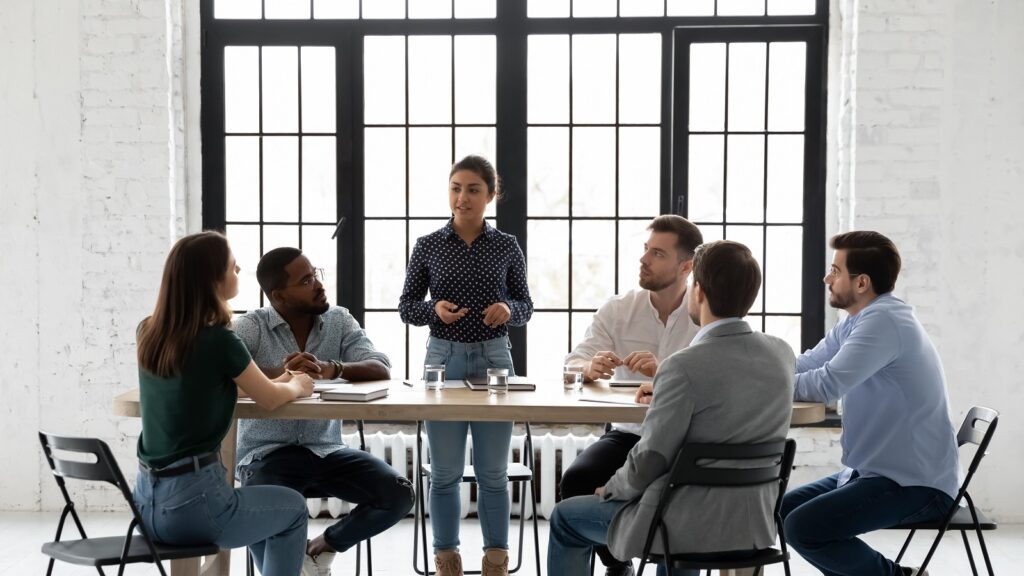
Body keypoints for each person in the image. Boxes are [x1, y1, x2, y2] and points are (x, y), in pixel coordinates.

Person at [547, 240, 795, 576]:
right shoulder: (782, 354)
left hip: (681, 525)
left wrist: (612, 489)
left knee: (565, 518)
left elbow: (650, 458)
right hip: (754, 527)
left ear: (699, 292)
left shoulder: (682, 366)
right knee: (677, 512)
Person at [133, 231, 314, 576]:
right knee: (293, 508)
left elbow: (207, 388)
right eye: (232, 266)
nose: (239, 270)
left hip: (146, 507)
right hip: (194, 507)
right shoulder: (220, 340)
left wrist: (279, 380)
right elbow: (269, 399)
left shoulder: (148, 332)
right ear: (212, 280)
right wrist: (297, 385)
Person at [781, 231, 959, 576]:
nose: (827, 279)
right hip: (874, 473)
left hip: (914, 484)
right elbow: (807, 364)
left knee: (803, 527)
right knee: (782, 511)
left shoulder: (883, 322)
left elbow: (827, 384)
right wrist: (756, 368)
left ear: (861, 283)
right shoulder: (857, 320)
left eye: (835, 271)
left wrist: (760, 385)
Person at [233, 247, 416, 576]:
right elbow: (223, 374)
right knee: (266, 507)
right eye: (306, 281)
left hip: (326, 451)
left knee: (399, 494)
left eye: (315, 274)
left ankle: (320, 549)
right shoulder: (251, 326)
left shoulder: (338, 320)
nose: (318, 284)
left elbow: (381, 366)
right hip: (265, 454)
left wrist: (333, 368)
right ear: (279, 296)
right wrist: (283, 373)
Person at [399, 155, 533, 576]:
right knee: (444, 473)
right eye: (456, 188)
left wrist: (507, 309)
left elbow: (525, 305)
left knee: (493, 473)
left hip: (495, 359)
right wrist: (433, 309)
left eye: (473, 189)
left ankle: (496, 560)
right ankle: (446, 559)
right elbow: (406, 306)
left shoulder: (506, 245)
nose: (462, 197)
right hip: (443, 360)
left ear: (491, 195)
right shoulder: (428, 245)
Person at [561, 215, 703, 576]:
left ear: (686, 266)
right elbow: (573, 362)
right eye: (645, 249)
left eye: (658, 253)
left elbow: (716, 377)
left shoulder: (705, 313)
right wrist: (589, 367)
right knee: (576, 481)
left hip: (686, 439)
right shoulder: (619, 309)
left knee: (684, 497)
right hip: (629, 435)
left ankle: (668, 560)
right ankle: (617, 563)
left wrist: (665, 371)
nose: (643, 259)